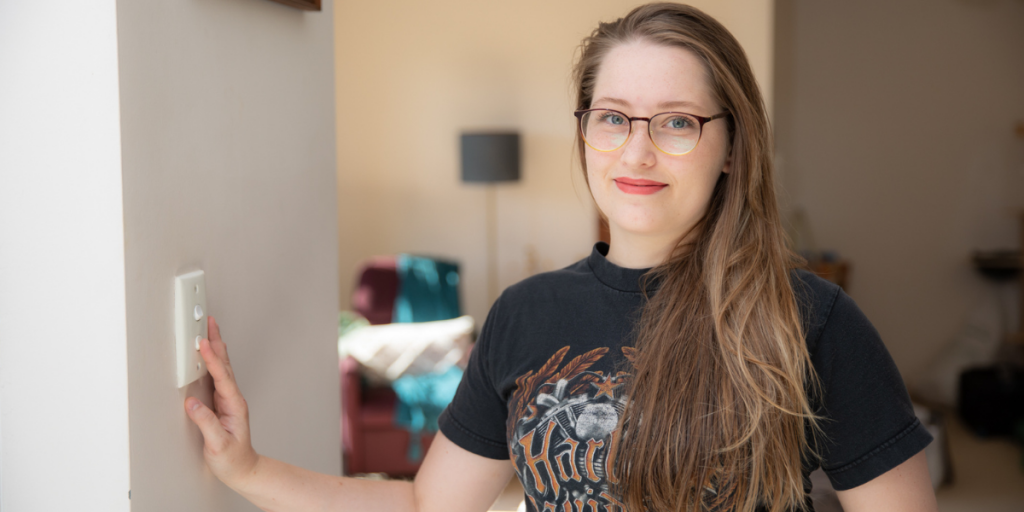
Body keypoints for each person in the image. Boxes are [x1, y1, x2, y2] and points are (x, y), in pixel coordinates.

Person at [184, 3, 939, 511]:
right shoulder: (526, 314)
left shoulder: (811, 321)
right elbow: (425, 504)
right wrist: (250, 471)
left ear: (732, 147)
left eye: (677, 122)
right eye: (612, 118)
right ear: (585, 131)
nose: (637, 150)